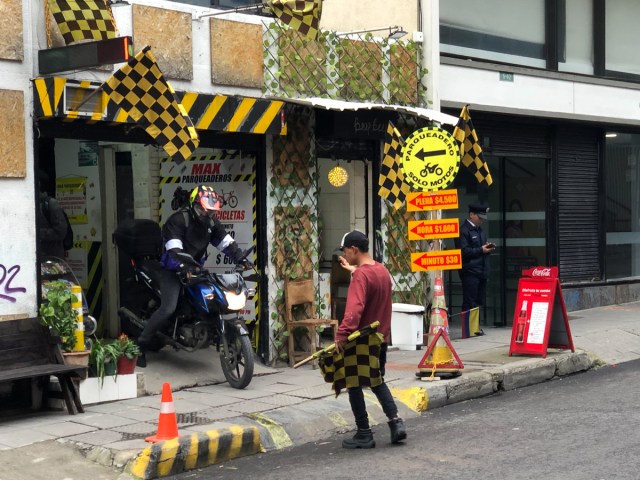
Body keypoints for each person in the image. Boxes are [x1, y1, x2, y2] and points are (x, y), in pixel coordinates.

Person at [136, 185, 246, 367]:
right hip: (172, 270)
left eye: (211, 211)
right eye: (204, 210)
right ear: (194, 205)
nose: (207, 215)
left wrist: (241, 258)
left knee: (212, 297)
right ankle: (140, 344)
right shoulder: (178, 221)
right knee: (168, 308)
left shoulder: (211, 224)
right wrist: (183, 266)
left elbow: (226, 243)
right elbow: (173, 250)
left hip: (195, 270)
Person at [335, 230, 407, 449]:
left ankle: (364, 433)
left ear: (354, 249)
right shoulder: (382, 270)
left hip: (361, 340)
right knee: (377, 380)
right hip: (380, 339)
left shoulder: (361, 276)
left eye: (346, 251)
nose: (344, 255)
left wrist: (342, 334)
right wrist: (353, 270)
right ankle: (396, 422)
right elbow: (369, 279)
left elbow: (354, 310)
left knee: (354, 383)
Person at [454, 203, 495, 332]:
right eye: (479, 217)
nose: (482, 220)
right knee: (469, 301)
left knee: (478, 301)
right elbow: (463, 251)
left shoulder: (480, 231)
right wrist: (481, 250)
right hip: (470, 271)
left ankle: (474, 328)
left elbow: (480, 249)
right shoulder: (463, 230)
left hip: (481, 270)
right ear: (471, 215)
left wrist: (487, 248)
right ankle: (468, 330)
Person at [38, 171, 67, 259]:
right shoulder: (31, 203)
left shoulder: (51, 204)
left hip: (52, 257)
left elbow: (61, 231)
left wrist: (37, 233)